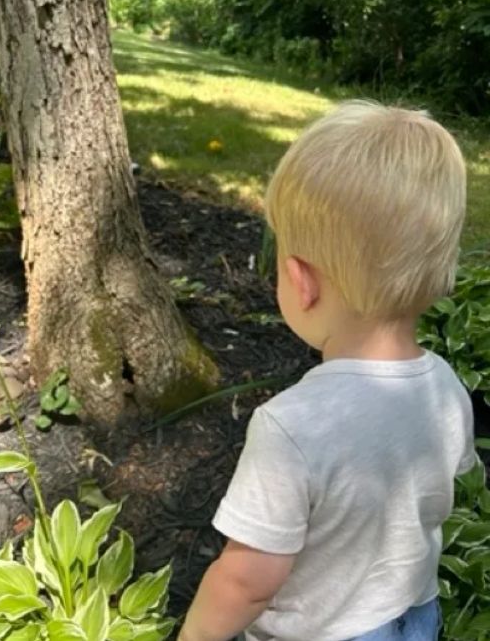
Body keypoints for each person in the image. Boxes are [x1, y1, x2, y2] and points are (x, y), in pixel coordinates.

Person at [178, 100, 477, 641]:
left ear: (302, 282)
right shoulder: (445, 390)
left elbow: (247, 583)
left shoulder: (290, 427)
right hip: (415, 617)